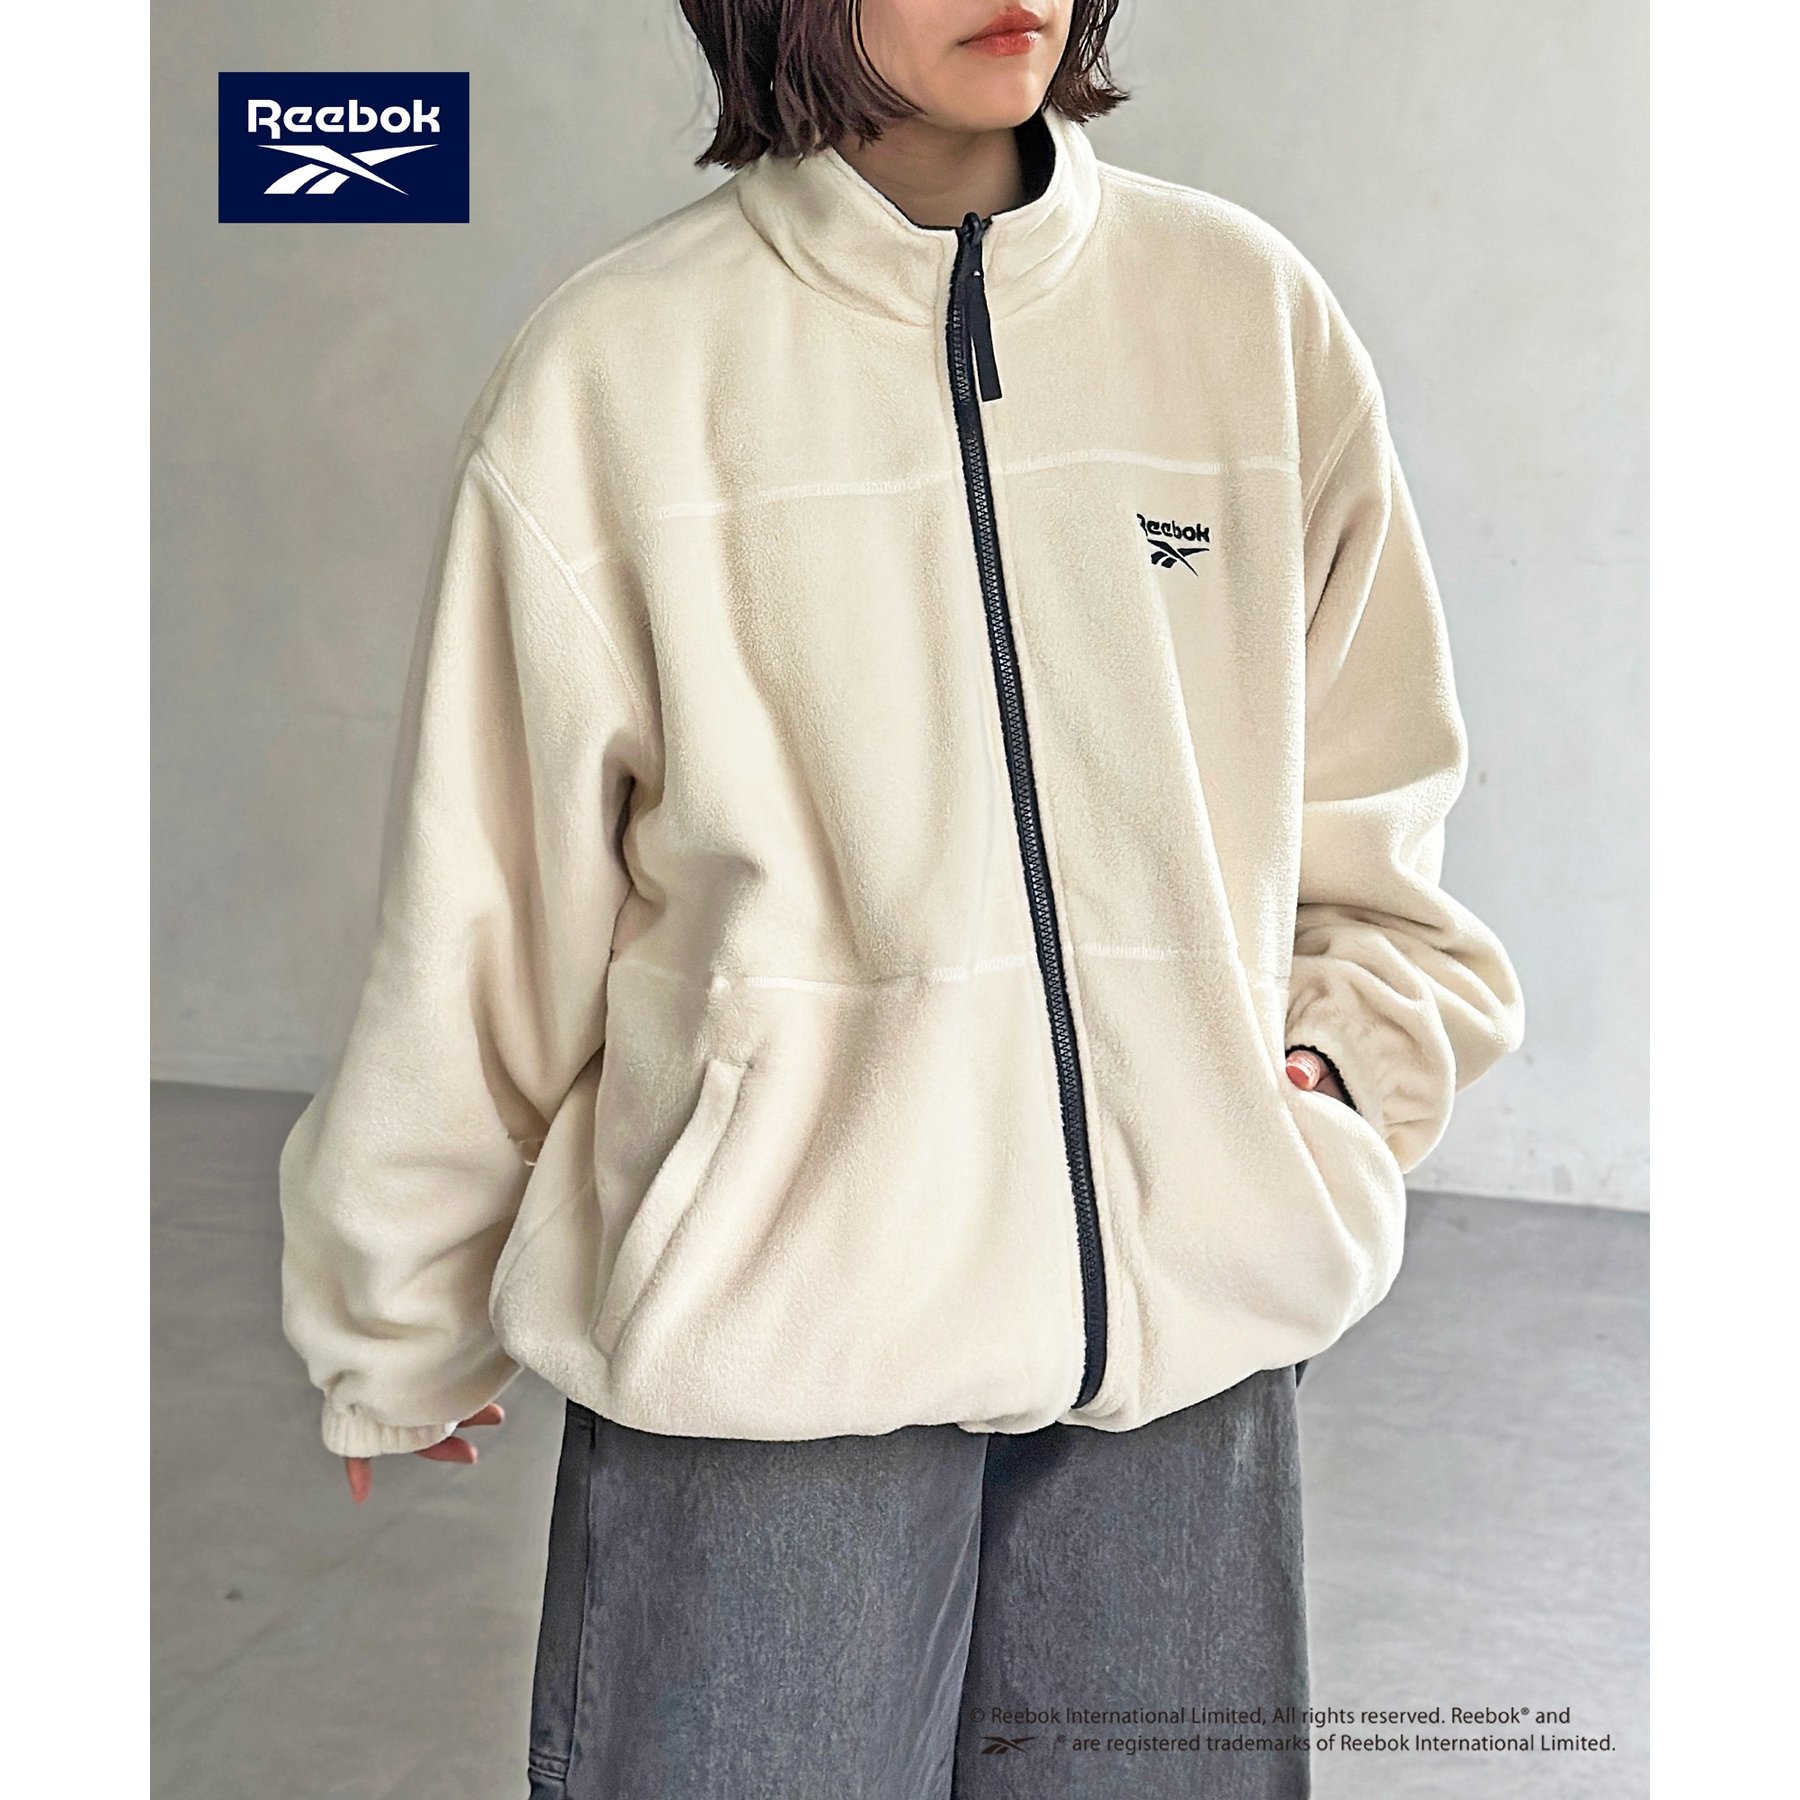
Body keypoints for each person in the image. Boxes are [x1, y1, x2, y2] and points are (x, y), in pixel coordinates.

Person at [277, 2, 1526, 1793]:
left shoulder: (1243, 317)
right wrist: (401, 1309)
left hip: (1188, 1353)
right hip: (784, 1350)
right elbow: (489, 894)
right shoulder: (622, 370)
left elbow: (1370, 798)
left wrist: (1334, 1070)